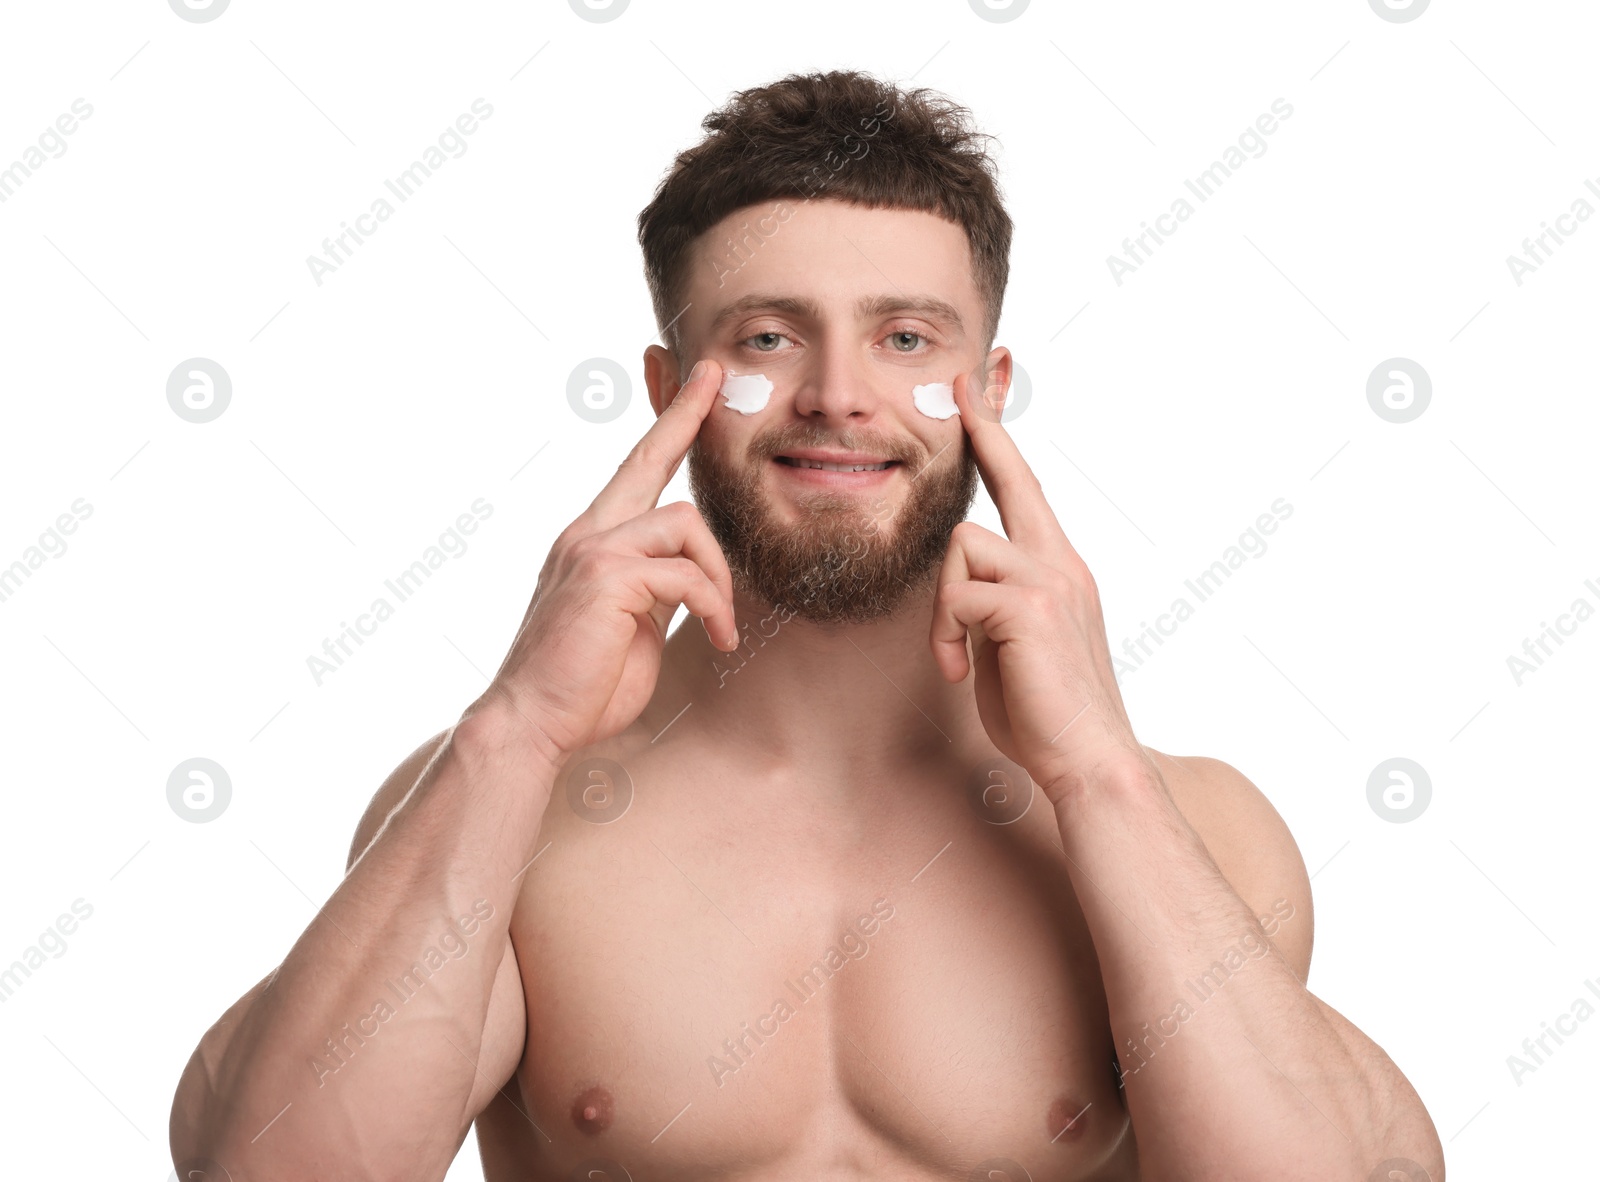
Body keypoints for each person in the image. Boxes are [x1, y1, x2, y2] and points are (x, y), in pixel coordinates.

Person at [170, 69, 1443, 1181]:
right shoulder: (505, 810)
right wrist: (514, 730)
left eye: (904, 338)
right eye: (770, 337)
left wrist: (1096, 772)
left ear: (987, 389)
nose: (839, 398)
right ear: (672, 390)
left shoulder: (1184, 823)